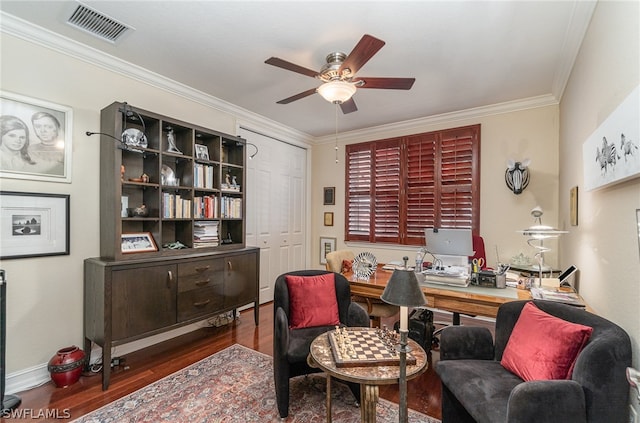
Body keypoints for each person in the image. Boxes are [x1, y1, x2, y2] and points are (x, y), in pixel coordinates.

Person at [29, 111, 64, 175]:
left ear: (58, 129)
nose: (42, 131)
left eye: (48, 127)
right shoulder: (30, 150)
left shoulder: (66, 150)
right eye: (38, 126)